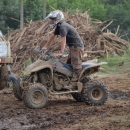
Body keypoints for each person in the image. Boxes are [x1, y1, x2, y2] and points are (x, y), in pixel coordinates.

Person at [42, 10, 84, 81]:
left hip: (77, 48)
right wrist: (45, 46)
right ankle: (66, 82)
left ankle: (77, 82)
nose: (51, 21)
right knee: (68, 67)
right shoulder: (59, 26)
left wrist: (61, 52)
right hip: (73, 48)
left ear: (57, 19)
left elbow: (63, 40)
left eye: (53, 19)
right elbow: (52, 36)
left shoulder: (63, 26)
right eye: (51, 19)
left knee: (76, 66)